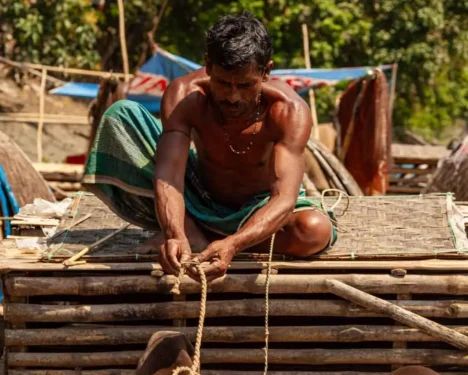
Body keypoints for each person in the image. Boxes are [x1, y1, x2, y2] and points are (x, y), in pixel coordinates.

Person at [83, 13, 337, 282]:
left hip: (259, 205)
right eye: (223, 83)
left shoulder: (288, 111)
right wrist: (174, 233)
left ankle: (209, 237)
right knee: (121, 115)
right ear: (207, 65)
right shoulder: (185, 96)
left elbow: (283, 200)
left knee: (313, 231)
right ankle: (190, 233)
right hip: (200, 197)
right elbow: (169, 176)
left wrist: (234, 244)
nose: (233, 96)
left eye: (246, 85)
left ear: (266, 71)